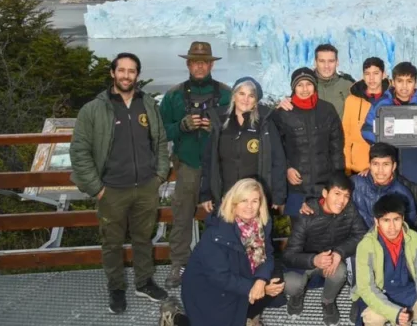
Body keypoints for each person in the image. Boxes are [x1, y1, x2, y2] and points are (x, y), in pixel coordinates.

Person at [69, 52, 170, 313]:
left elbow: (159, 141)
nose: (126, 75)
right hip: (111, 189)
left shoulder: (147, 104)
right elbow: (79, 150)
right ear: (113, 73)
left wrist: (159, 175)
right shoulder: (93, 109)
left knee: (143, 238)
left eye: (132, 71)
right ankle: (116, 288)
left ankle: (144, 282)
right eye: (121, 70)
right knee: (111, 242)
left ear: (137, 74)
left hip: (146, 186)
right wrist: (96, 188)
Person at [160, 41, 233, 288]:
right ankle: (179, 263)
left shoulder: (226, 94)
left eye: (204, 61)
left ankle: (223, 262)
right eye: (195, 61)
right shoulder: (173, 96)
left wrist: (216, 127)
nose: (199, 66)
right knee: (181, 215)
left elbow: (237, 129)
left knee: (224, 215)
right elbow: (161, 131)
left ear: (211, 64)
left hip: (219, 167)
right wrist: (182, 126)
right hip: (188, 165)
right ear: (188, 64)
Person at [180, 179, 285, 326]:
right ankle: (176, 318)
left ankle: (249, 315)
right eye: (243, 200)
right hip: (209, 292)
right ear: (233, 203)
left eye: (255, 201)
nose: (249, 206)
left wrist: (261, 281)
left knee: (275, 277)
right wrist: (257, 288)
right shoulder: (216, 233)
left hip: (240, 279)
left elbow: (268, 254)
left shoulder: (261, 224)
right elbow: (220, 277)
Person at [283, 173, 367, 325]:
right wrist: (313, 259)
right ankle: (297, 297)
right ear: (325, 193)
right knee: (291, 283)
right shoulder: (307, 214)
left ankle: (327, 302)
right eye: (337, 194)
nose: (341, 201)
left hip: (330, 261)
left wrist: (339, 253)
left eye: (346, 196)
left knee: (340, 272)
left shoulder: (350, 210)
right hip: (306, 262)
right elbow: (289, 255)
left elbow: (361, 235)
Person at [199, 77, 286, 217]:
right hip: (226, 197)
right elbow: (209, 161)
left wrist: (278, 194)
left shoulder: (265, 124)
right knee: (226, 236)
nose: (245, 99)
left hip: (256, 199)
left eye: (251, 95)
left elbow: (278, 160)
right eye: (241, 94)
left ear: (256, 100)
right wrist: (206, 193)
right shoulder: (219, 123)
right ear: (234, 96)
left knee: (256, 237)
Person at [353, 194, 417, 326]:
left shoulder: (414, 238)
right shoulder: (365, 246)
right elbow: (366, 288)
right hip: (380, 292)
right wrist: (394, 313)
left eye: (396, 219)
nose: (392, 227)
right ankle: (400, 317)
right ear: (377, 222)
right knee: (373, 319)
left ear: (403, 219)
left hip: (405, 289)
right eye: (386, 220)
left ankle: (404, 318)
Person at [273, 67, 345, 218]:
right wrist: (287, 168)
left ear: (315, 85)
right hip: (296, 187)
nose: (305, 89)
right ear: (293, 88)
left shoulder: (327, 110)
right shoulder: (284, 113)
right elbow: (275, 147)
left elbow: (336, 147)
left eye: (308, 84)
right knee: (299, 233)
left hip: (324, 186)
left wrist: (338, 182)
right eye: (299, 85)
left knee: (325, 232)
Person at [361, 61, 417, 192]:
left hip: (415, 165)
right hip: (388, 168)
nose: (404, 86)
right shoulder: (381, 105)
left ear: (416, 83)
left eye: (409, 81)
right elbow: (366, 129)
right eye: (400, 81)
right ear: (392, 82)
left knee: (416, 204)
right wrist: (382, 140)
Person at [351, 142, 417, 230]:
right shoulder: (355, 184)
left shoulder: (403, 194)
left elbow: (410, 228)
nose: (380, 170)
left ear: (394, 166)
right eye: (375, 164)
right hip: (358, 240)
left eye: (386, 164)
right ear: (369, 165)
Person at [343, 57, 389, 174]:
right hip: (357, 169)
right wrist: (347, 169)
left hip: (383, 170)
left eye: (376, 73)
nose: (371, 78)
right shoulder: (351, 100)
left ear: (383, 75)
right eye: (367, 74)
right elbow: (345, 136)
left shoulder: (391, 99)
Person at [315, 43, 356, 118]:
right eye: (322, 61)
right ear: (315, 63)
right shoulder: (307, 85)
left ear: (337, 62)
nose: (326, 66)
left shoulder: (348, 85)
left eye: (331, 61)